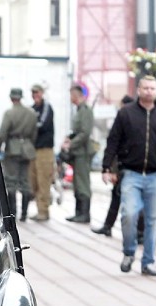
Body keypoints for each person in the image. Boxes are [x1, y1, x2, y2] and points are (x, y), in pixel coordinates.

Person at [102, 75, 156, 277]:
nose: (149, 91)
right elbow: (113, 140)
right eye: (145, 88)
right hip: (131, 174)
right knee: (129, 215)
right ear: (138, 90)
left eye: (152, 88)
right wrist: (107, 167)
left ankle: (148, 262)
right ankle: (129, 252)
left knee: (153, 220)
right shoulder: (126, 114)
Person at [92, 95, 134, 237]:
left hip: (124, 169)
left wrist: (112, 170)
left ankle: (109, 226)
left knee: (119, 198)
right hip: (128, 168)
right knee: (118, 198)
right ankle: (108, 226)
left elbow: (115, 148)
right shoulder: (132, 121)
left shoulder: (123, 122)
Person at [0, 88, 37, 222]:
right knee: (25, 181)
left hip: (13, 149)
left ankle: (13, 213)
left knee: (11, 181)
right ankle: (24, 214)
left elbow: (2, 133)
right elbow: (34, 134)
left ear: (11, 98)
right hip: (27, 148)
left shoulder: (9, 113)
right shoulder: (31, 113)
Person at [66, 83, 95, 223]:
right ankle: (78, 212)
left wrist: (71, 143)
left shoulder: (85, 110)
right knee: (77, 183)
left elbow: (85, 133)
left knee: (82, 182)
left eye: (71, 95)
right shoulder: (78, 110)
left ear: (76, 95)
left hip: (83, 152)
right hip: (77, 152)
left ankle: (85, 213)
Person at [28, 84, 54, 222]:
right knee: (35, 182)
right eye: (33, 92)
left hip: (44, 150)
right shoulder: (33, 109)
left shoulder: (46, 107)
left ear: (42, 93)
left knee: (44, 180)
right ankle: (39, 209)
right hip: (34, 149)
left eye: (37, 92)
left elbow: (42, 125)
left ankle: (44, 211)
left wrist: (30, 129)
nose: (35, 95)